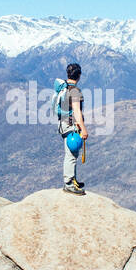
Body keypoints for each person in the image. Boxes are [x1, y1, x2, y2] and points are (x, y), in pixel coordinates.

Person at [57, 62, 87, 195]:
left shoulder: (63, 89)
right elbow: (76, 111)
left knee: (71, 153)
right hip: (71, 125)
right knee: (71, 154)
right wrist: (83, 129)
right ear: (79, 76)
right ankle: (69, 183)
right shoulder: (75, 91)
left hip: (63, 124)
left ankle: (72, 179)